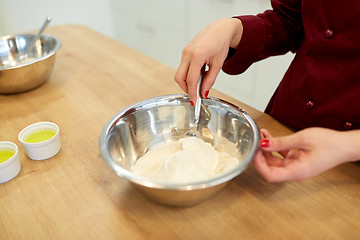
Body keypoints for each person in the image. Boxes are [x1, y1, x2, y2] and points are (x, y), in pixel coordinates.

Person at [174, 0, 360, 182]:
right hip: (286, 124)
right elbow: (290, 19)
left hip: (350, 168)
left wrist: (348, 145)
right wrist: (233, 29)